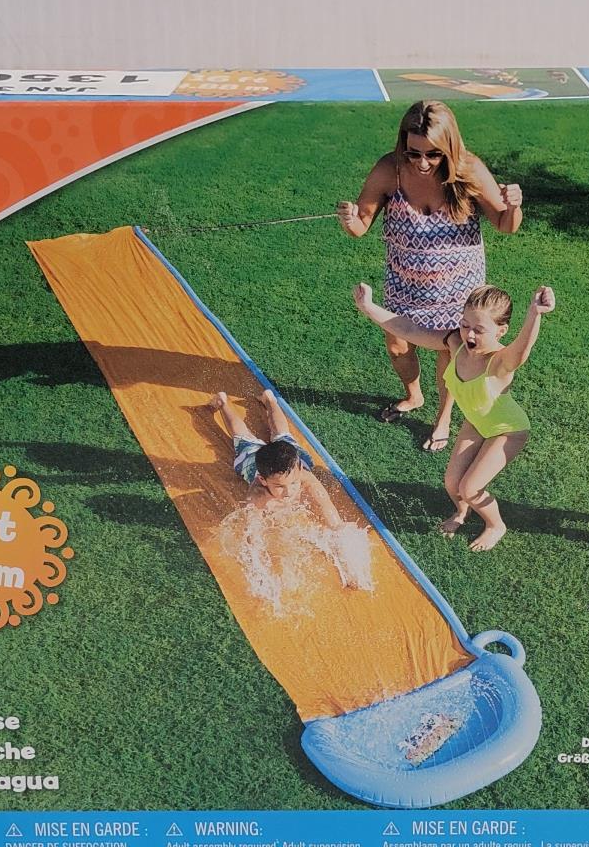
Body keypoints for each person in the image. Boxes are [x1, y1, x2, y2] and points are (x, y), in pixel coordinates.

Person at [337, 100, 524, 452]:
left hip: (458, 287)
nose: (422, 163)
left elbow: (505, 224)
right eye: (414, 153)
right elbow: (360, 226)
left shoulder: (469, 170)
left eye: (434, 155)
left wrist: (514, 206)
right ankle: (413, 395)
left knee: (450, 355)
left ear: (449, 147)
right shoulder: (390, 170)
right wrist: (350, 220)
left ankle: (443, 417)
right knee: (398, 346)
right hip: (404, 281)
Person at [352, 281, 555, 552]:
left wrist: (535, 314)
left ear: (501, 331)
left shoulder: (499, 362)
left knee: (470, 487)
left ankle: (496, 525)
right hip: (477, 422)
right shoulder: (455, 342)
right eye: (465, 324)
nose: (469, 334)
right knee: (452, 483)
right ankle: (462, 512)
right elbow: (409, 330)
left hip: (507, 430)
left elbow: (521, 351)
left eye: (479, 330)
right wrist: (368, 306)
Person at [207, 390, 344, 527]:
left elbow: (331, 517)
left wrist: (337, 531)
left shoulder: (307, 481)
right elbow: (251, 530)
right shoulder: (257, 494)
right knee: (243, 438)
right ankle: (223, 403)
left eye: (294, 483)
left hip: (288, 455)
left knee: (283, 434)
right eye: (279, 486)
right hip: (254, 462)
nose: (288, 492)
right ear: (262, 480)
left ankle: (270, 400)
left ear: (300, 469)